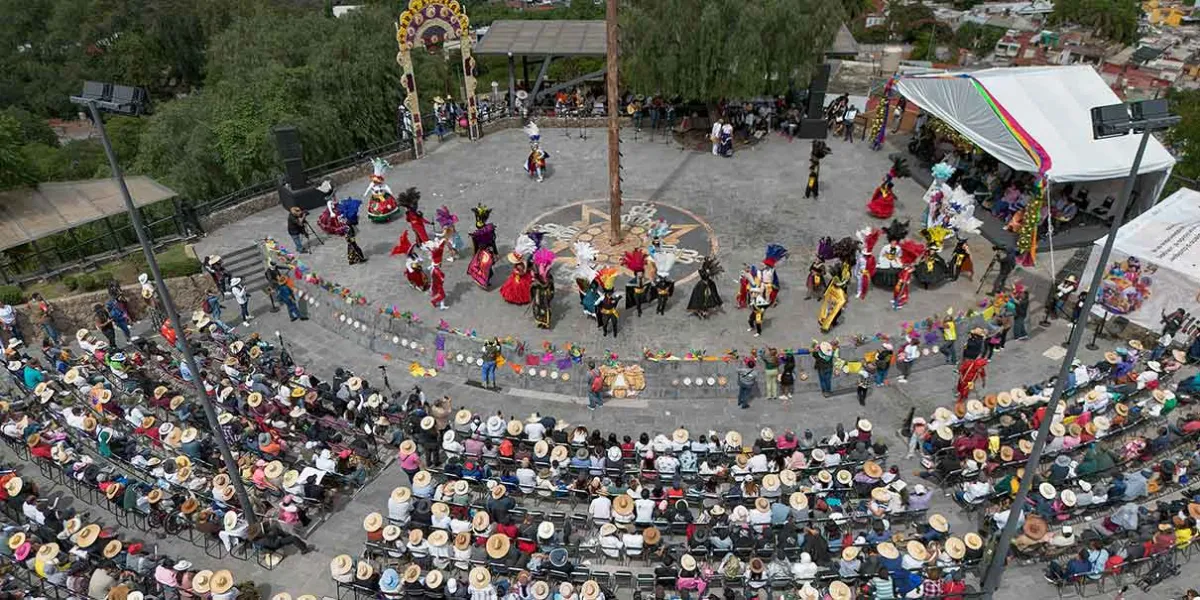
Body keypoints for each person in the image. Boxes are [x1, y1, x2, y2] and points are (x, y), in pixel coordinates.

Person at [468, 204, 498, 289]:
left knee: (484, 268)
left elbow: (475, 246)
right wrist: (495, 252)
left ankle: (483, 280)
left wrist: (475, 255)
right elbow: (493, 243)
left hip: (483, 253)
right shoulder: (489, 232)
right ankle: (484, 281)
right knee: (487, 269)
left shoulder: (476, 235)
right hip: (486, 253)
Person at [530, 250, 555, 329]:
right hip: (538, 292)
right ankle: (540, 321)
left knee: (545, 308)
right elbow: (533, 284)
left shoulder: (548, 276)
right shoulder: (536, 272)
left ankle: (545, 323)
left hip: (544, 294)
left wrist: (548, 290)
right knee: (537, 307)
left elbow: (551, 286)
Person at [429, 242, 447, 310]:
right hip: (439, 285)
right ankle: (434, 301)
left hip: (437, 284)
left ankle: (442, 306)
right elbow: (441, 278)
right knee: (442, 295)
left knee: (441, 295)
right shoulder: (437, 270)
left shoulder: (434, 269)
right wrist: (442, 278)